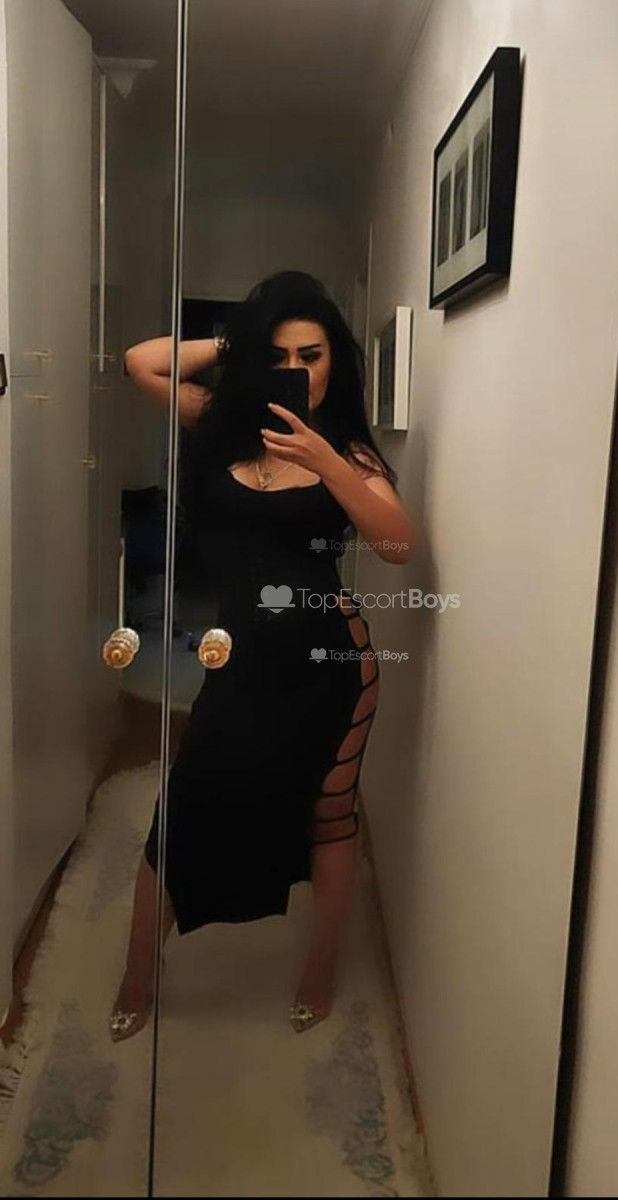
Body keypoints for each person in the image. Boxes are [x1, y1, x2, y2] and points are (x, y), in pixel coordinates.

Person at [109, 270, 414, 1040]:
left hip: (329, 666)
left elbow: (399, 546)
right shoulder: (220, 422)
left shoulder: (349, 452)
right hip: (238, 662)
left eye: (312, 355)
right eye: (278, 355)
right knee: (185, 805)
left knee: (329, 814)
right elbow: (140, 363)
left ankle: (320, 967)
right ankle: (137, 974)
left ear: (336, 359)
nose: (297, 370)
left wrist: (327, 460)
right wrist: (237, 345)